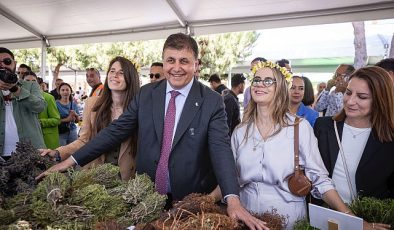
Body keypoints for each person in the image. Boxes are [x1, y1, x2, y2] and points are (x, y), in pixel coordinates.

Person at [37, 33, 267, 230]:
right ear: (164, 62)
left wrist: (232, 198)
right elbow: (115, 131)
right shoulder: (147, 94)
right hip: (145, 197)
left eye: (184, 61)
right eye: (170, 60)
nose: (176, 68)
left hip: (190, 202)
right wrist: (71, 160)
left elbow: (221, 149)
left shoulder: (212, 101)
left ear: (196, 65)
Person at [224, 60, 355, 229]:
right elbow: (229, 178)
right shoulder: (240, 131)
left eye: (268, 81)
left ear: (280, 88)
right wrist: (203, 200)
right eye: (256, 80)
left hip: (288, 219)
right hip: (247, 219)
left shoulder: (299, 127)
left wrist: (352, 219)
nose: (260, 85)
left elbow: (320, 180)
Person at [40, 56, 139, 181]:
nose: (115, 75)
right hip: (94, 174)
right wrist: (58, 153)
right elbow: (84, 140)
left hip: (125, 176)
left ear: (131, 78)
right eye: (112, 71)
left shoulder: (137, 109)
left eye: (121, 73)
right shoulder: (92, 104)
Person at [314, 66, 394, 202]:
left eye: (362, 97)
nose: (350, 101)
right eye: (348, 92)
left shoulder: (389, 139)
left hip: (371, 218)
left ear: (380, 100)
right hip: (324, 216)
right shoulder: (324, 127)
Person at [0, 47, 46, 159]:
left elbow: (40, 107)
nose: (3, 65)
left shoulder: (30, 85)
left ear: (14, 63)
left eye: (6, 61)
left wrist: (16, 89)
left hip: (31, 151)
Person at [22, 72, 61, 149]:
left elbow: (57, 120)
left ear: (37, 83)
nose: (31, 83)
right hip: (27, 141)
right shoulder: (19, 98)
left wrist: (39, 122)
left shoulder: (48, 98)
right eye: (27, 80)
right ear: (22, 82)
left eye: (33, 81)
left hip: (46, 140)